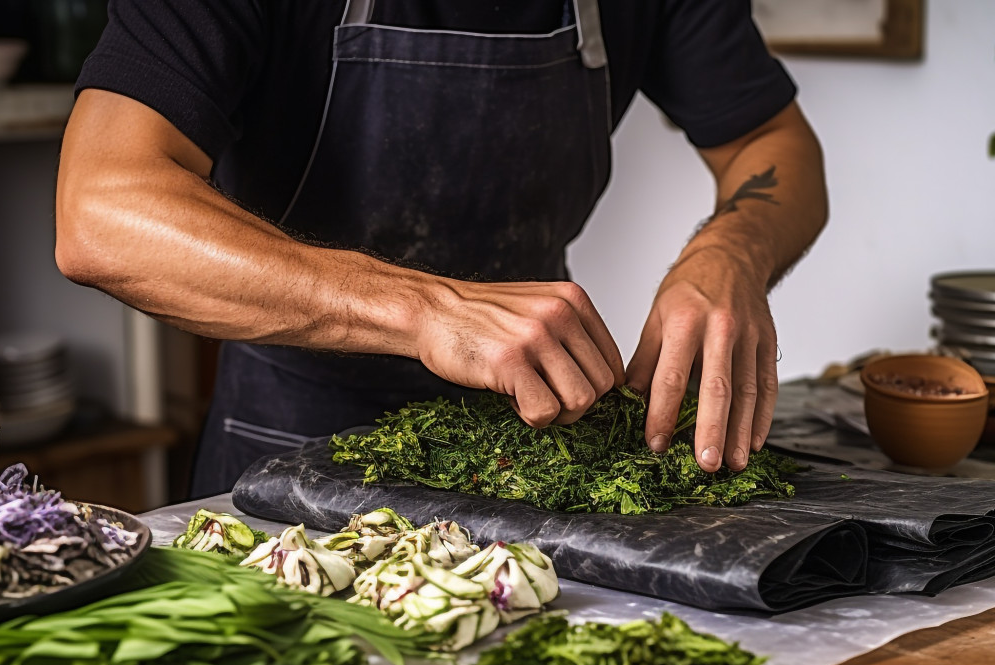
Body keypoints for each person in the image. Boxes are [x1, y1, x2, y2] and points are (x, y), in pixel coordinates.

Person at [55, 0, 828, 497]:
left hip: (539, 445)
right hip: (292, 447)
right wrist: (426, 308)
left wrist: (730, 252)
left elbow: (773, 142)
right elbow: (101, 207)